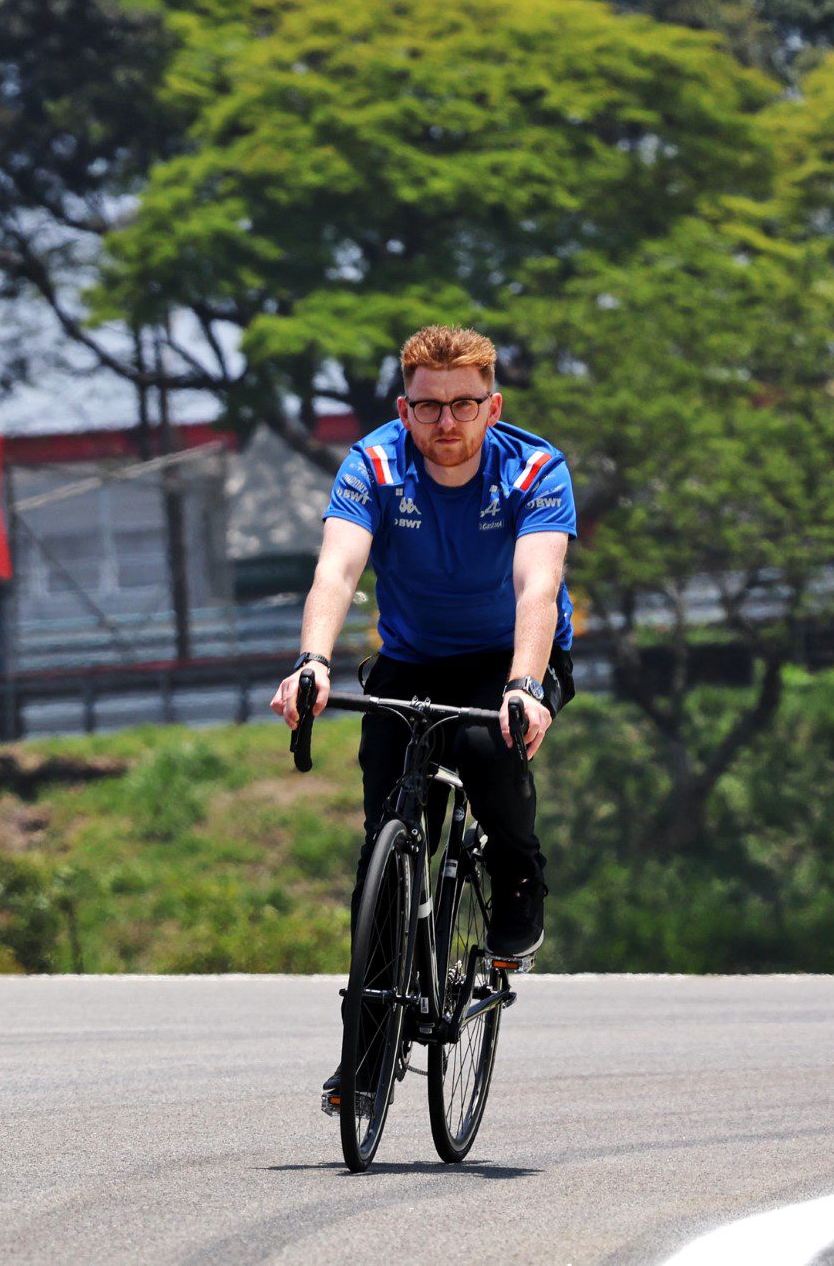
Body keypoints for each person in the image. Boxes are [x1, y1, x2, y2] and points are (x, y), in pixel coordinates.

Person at [268, 324, 576, 1110]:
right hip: (412, 660)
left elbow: (536, 588)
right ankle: (367, 1055)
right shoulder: (373, 463)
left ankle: (516, 877)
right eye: (429, 406)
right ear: (404, 409)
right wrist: (312, 661)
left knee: (485, 742)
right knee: (385, 843)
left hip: (513, 658)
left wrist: (524, 683)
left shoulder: (535, 468)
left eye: (464, 405)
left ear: (492, 405)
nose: (446, 423)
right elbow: (336, 570)